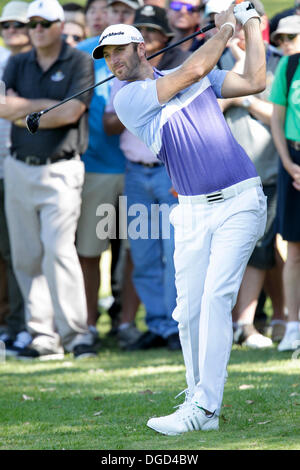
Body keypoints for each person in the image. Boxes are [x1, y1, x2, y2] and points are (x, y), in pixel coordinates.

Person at [93, 1, 267, 434]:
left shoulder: (194, 73)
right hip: (190, 210)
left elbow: (254, 80)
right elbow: (188, 73)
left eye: (119, 50)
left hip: (240, 200)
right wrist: (224, 31)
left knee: (214, 299)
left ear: (140, 48)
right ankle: (198, 399)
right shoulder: (128, 98)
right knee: (187, 310)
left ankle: (205, 407)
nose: (113, 61)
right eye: (106, 56)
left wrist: (251, 22)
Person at [0, 0, 97, 360]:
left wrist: (23, 105)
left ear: (59, 25)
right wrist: (42, 107)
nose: (37, 29)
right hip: (19, 167)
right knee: (26, 256)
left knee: (59, 253)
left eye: (44, 23)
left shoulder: (79, 61)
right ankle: (42, 335)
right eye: (32, 24)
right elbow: (3, 108)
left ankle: (75, 335)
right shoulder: (16, 61)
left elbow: (71, 113)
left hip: (61, 168)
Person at [103, 4, 190, 350]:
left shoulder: (175, 74)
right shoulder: (120, 79)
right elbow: (110, 124)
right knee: (143, 253)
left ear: (161, 41)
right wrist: (134, 104)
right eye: (144, 32)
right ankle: (155, 323)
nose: (149, 39)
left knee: (174, 252)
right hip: (136, 175)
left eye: (154, 33)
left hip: (169, 172)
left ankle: (175, 326)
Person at [217, 0, 286, 348]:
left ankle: (249, 323)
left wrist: (243, 97)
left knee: (264, 249)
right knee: (237, 250)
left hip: (270, 170)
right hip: (225, 175)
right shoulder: (214, 61)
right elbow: (206, 113)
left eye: (252, 22)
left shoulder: (280, 60)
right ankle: (250, 322)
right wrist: (242, 72)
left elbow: (279, 116)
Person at [0, 1, 31, 356]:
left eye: (18, 25)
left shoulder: (35, 64)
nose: (12, 32)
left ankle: (22, 325)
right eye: (5, 26)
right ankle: (10, 324)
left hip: (21, 168)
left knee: (18, 254)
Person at [269, 15, 300, 352]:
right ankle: (293, 324)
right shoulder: (289, 67)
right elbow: (277, 120)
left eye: (292, 36)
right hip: (293, 160)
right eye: (279, 38)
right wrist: (290, 165)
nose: (285, 43)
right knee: (293, 248)